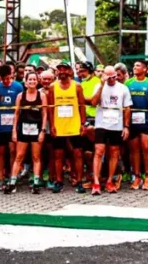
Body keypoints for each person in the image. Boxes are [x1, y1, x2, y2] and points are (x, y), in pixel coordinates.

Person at [45, 61, 87, 194]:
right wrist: (52, 125)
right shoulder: (52, 87)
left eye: (65, 69)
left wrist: (82, 124)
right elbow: (50, 109)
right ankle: (58, 181)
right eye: (60, 69)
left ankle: (79, 181)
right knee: (58, 154)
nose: (62, 71)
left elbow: (82, 106)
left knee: (78, 153)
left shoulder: (77, 86)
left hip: (74, 125)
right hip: (59, 125)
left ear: (69, 71)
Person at [89, 66, 132, 195]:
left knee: (114, 152)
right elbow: (93, 102)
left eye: (114, 77)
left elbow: (127, 109)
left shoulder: (123, 88)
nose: (112, 79)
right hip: (101, 124)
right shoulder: (99, 86)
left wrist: (126, 126)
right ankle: (96, 182)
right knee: (99, 151)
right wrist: (102, 85)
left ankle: (109, 180)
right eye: (109, 77)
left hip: (116, 125)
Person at [8, 70, 48, 194]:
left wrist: (42, 131)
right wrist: (14, 131)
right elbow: (16, 114)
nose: (32, 81)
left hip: (36, 129)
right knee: (19, 156)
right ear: (26, 82)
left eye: (34, 79)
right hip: (23, 129)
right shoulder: (21, 95)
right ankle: (12, 182)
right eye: (30, 79)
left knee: (36, 157)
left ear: (37, 81)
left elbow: (44, 114)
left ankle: (36, 183)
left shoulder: (41, 96)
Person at [125, 59, 148, 190]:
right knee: (134, 150)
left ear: (145, 69)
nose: (134, 67)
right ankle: (137, 176)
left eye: (138, 65)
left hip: (146, 121)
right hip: (131, 121)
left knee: (146, 147)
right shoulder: (128, 83)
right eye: (134, 65)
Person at [0, 63, 22, 191]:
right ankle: (0, 179)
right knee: (0, 152)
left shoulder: (18, 87)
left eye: (9, 78)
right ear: (0, 77)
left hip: (13, 125)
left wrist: (17, 126)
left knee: (12, 151)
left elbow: (21, 108)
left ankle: (12, 177)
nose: (6, 81)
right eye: (4, 79)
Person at [78, 61, 101, 188]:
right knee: (86, 151)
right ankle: (91, 174)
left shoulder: (97, 82)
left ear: (90, 70)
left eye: (83, 71)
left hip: (96, 118)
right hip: (84, 118)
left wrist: (78, 99)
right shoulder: (82, 83)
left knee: (96, 150)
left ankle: (99, 176)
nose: (81, 74)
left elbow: (93, 101)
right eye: (80, 71)